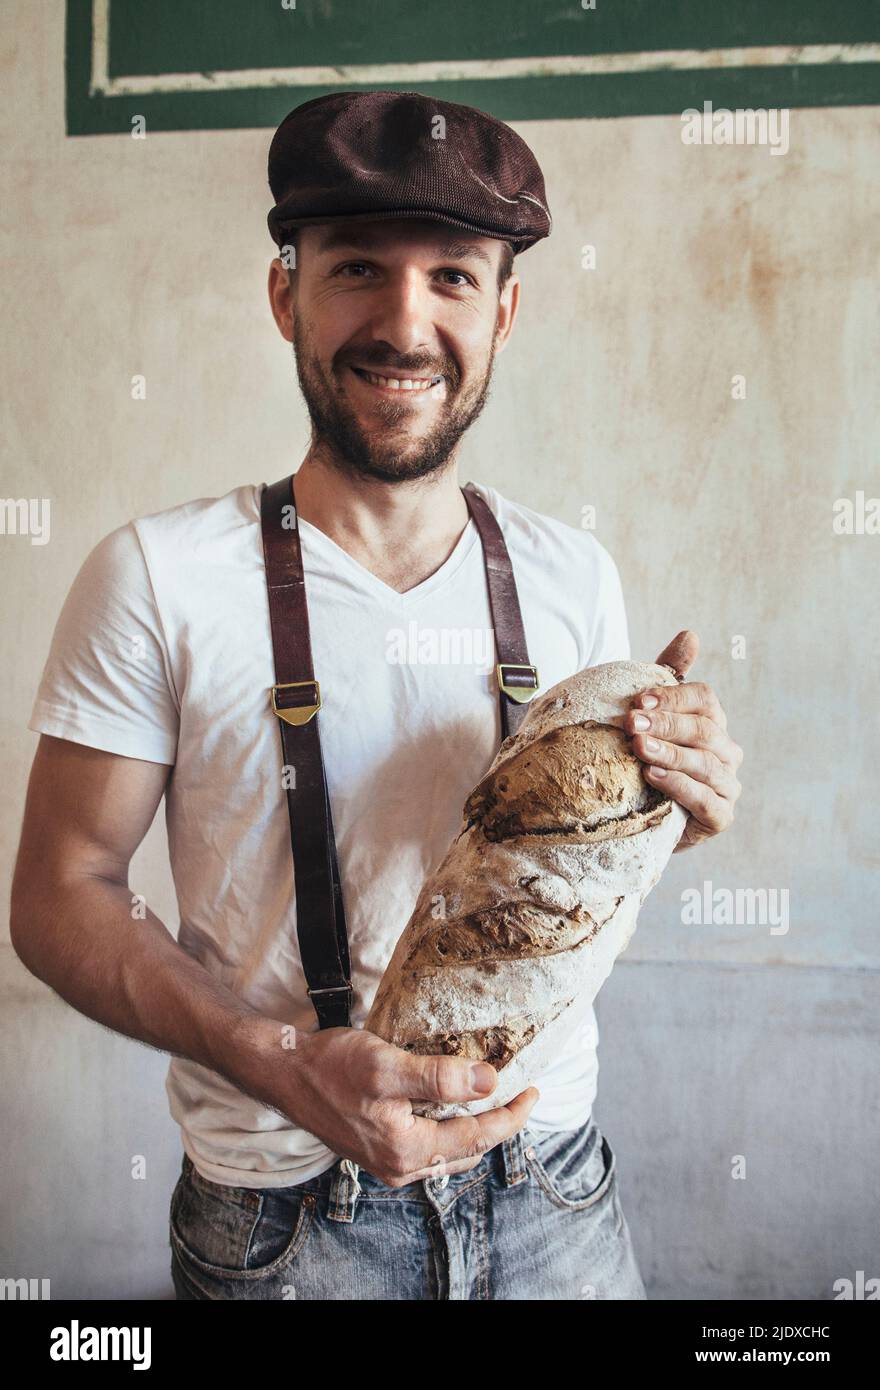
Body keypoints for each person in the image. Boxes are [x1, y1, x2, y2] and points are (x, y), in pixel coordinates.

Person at [10, 90, 743, 1300]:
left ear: (504, 313)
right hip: (282, 1221)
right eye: (358, 268)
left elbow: (557, 895)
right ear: (284, 292)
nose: (405, 324)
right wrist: (282, 1060)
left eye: (453, 276)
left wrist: (678, 803)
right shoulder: (155, 575)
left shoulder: (574, 575)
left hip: (553, 1196)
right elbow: (56, 896)